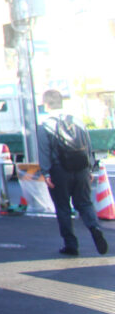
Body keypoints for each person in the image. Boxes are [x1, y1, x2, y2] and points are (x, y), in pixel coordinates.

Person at [38, 91, 108, 256]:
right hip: (81, 168)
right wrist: (90, 168)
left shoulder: (46, 125)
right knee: (84, 203)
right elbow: (88, 146)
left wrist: (46, 173)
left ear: (46, 104)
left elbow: (44, 151)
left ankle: (71, 245)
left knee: (63, 207)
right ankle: (94, 227)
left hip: (59, 170)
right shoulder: (77, 121)